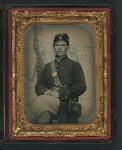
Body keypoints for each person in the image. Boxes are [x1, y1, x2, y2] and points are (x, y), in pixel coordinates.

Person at [28, 33, 86, 123]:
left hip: (65, 103)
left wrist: (61, 93)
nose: (59, 48)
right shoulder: (47, 67)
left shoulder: (75, 65)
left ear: (68, 47)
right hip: (48, 100)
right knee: (42, 111)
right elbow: (39, 85)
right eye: (57, 45)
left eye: (62, 45)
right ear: (53, 47)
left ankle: (23, 125)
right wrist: (46, 91)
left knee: (40, 101)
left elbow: (81, 85)